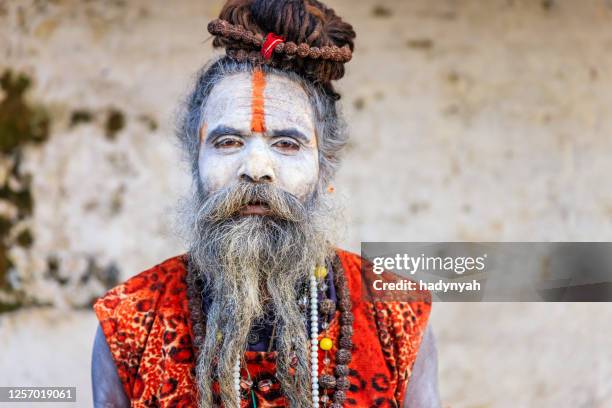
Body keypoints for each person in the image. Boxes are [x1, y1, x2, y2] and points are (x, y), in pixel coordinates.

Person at [91, 0, 440, 406]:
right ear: (195, 163)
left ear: (324, 169)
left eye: (287, 144)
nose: (256, 168)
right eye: (228, 142)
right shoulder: (130, 319)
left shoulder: (396, 317)